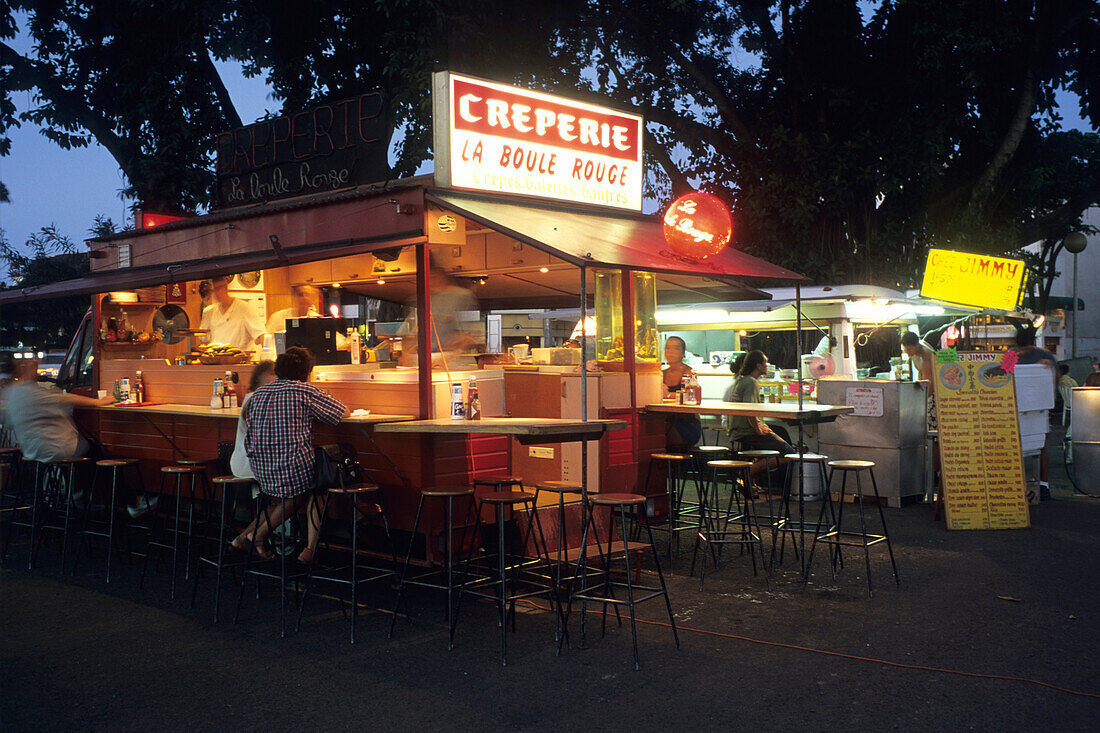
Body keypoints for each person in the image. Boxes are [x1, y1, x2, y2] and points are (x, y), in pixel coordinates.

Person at [232, 347, 348, 563]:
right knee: (311, 488)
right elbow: (341, 413)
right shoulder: (304, 391)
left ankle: (243, 538)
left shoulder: (258, 395)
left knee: (293, 492)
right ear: (307, 372)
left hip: (261, 469)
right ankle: (260, 537)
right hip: (291, 469)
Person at [3, 357, 155, 516]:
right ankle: (132, 502)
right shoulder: (32, 392)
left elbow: (9, 422)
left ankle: (81, 494)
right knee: (98, 455)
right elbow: (68, 399)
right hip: (55, 449)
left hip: (31, 451)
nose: (34, 367)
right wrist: (100, 402)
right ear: (22, 368)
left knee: (89, 454)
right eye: (30, 365)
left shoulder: (12, 393)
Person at [724, 350, 793, 481]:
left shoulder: (741, 380)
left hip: (737, 430)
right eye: (765, 362)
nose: (767, 365)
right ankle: (748, 472)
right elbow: (750, 410)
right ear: (758, 366)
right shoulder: (751, 382)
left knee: (776, 434)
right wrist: (758, 429)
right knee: (789, 453)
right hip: (746, 432)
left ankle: (751, 476)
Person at [1012, 329, 1057, 500]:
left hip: (1039, 408)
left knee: (1040, 446)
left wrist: (1050, 368)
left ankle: (1043, 485)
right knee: (1017, 448)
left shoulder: (1043, 355)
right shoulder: (1011, 355)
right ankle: (1019, 483)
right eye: (1020, 349)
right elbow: (1002, 378)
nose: (1022, 353)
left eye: (1025, 349)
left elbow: (1057, 377)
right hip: (1017, 408)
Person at [229, 361, 277, 480]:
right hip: (251, 466)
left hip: (247, 464)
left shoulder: (253, 397)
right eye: (272, 373)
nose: (277, 377)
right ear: (259, 377)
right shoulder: (257, 399)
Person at [199, 276, 266, 354]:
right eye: (214, 290)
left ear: (226, 288)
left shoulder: (244, 308)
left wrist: (269, 356)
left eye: (219, 288)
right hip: (217, 361)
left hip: (240, 361)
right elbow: (203, 339)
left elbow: (261, 335)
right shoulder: (209, 311)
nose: (217, 293)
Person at [662, 336, 701, 448]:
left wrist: (668, 394)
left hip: (686, 423)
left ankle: (674, 464)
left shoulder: (688, 372)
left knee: (664, 433)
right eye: (668, 348)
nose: (671, 352)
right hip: (666, 420)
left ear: (683, 353)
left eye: (676, 348)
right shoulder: (661, 374)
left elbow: (688, 396)